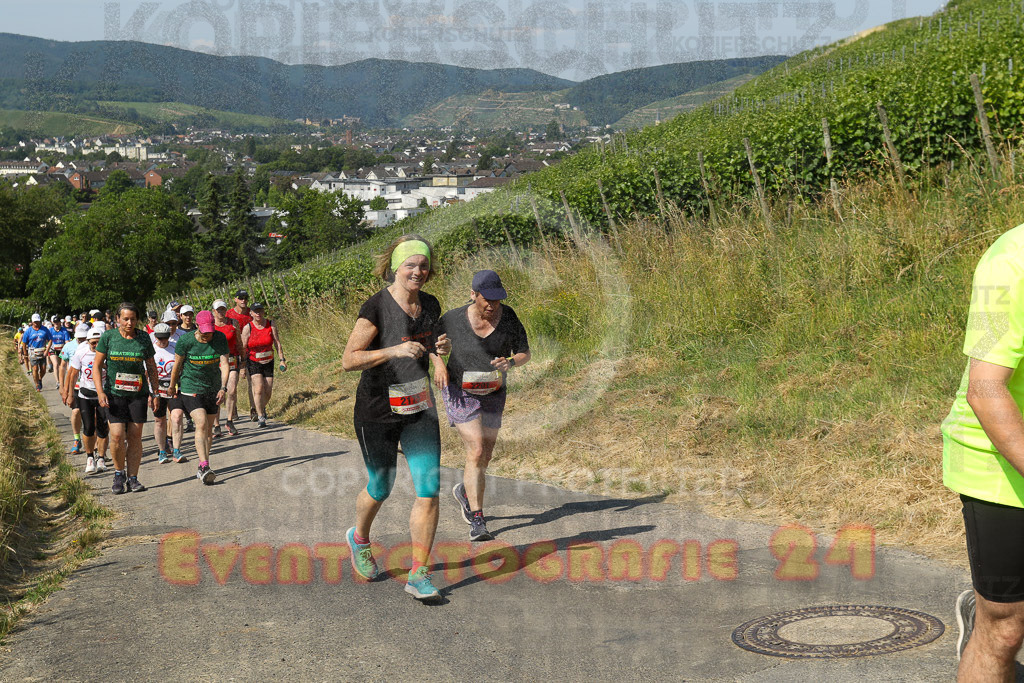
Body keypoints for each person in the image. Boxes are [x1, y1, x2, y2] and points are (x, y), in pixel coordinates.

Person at [341, 234, 451, 602]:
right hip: (377, 410)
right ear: (394, 267)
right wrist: (393, 350)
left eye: (423, 266)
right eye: (410, 265)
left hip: (419, 406)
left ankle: (419, 574)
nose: (417, 272)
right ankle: (359, 538)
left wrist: (440, 354)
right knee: (381, 487)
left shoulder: (431, 304)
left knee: (428, 489)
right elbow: (349, 359)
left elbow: (433, 341)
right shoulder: (375, 308)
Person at [942, 222, 1024, 680]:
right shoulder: (1010, 262)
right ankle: (987, 621)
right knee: (1007, 627)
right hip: (998, 464)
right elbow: (986, 389)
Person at [440, 270, 531, 542]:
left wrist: (511, 363)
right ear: (473, 295)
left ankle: (466, 492)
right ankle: (478, 520)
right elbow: (434, 347)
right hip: (461, 390)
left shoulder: (509, 317)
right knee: (477, 448)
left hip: (493, 391)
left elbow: (525, 352)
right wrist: (439, 360)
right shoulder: (453, 318)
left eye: (497, 300)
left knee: (486, 455)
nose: (492, 305)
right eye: (486, 300)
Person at [93, 303, 159, 494]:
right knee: (116, 436)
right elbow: (97, 366)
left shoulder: (144, 337)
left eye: (133, 319)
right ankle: (118, 473)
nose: (129, 323)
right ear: (117, 319)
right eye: (125, 319)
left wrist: (155, 393)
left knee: (135, 436)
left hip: (138, 395)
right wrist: (100, 392)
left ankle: (133, 478)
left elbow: (152, 367)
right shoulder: (108, 337)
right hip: (114, 394)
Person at [167, 310, 229, 485]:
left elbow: (224, 364)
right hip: (190, 387)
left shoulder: (220, 338)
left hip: (213, 388)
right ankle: (204, 465)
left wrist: (223, 387)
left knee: (208, 429)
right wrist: (172, 386)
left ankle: (204, 465)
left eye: (210, 331)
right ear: (198, 327)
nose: (207, 335)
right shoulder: (186, 341)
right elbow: (177, 365)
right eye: (204, 332)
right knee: (201, 423)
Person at [64, 326, 109, 475]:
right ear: (88, 342)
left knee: (103, 427)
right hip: (85, 394)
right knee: (89, 427)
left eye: (98, 342)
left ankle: (101, 457)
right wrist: (70, 394)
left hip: (103, 394)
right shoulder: (81, 353)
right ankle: (90, 457)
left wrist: (103, 363)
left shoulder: (108, 353)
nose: (96, 346)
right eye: (93, 343)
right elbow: (73, 375)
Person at [239, 302, 286, 429]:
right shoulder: (248, 327)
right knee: (259, 388)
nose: (258, 313)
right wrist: (242, 366)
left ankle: (259, 406)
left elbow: (277, 342)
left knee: (268, 390)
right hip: (253, 360)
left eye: (260, 311)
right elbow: (243, 348)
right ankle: (260, 416)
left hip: (268, 360)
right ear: (251, 313)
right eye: (255, 311)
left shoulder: (271, 324)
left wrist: (282, 359)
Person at [150, 322, 184, 464]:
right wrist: (151, 393)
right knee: (160, 421)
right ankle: (162, 451)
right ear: (156, 337)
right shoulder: (151, 350)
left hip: (173, 386)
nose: (163, 341)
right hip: (156, 388)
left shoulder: (174, 348)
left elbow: (181, 367)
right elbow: (147, 373)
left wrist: (175, 383)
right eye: (160, 338)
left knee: (177, 417)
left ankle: (176, 450)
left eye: (165, 338)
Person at [211, 300, 241, 436]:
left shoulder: (233, 323)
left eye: (223, 309)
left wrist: (244, 361)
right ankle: (216, 424)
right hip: (216, 363)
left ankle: (229, 420)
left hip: (232, 360)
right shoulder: (210, 326)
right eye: (218, 310)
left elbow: (239, 343)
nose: (221, 312)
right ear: (213, 312)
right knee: (217, 393)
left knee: (232, 389)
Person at [61, 323, 91, 456]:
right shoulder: (69, 346)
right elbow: (63, 367)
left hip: (90, 386)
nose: (81, 341)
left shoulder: (94, 345)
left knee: (93, 417)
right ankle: (76, 439)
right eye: (79, 339)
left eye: (84, 339)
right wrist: (64, 388)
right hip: (76, 386)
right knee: (76, 412)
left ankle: (94, 443)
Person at [226, 290, 255, 422]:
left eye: (245, 298)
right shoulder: (229, 314)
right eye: (240, 298)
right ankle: (234, 407)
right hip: (234, 352)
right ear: (235, 299)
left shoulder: (251, 313)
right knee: (233, 383)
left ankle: (253, 409)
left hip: (250, 351)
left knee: (252, 381)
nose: (243, 300)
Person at [20, 313, 53, 391]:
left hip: (42, 350)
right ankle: (37, 385)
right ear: (32, 322)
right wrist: (25, 353)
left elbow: (50, 340)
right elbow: (24, 342)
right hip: (32, 351)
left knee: (43, 369)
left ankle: (40, 378)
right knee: (35, 369)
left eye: (37, 322)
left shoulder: (45, 329)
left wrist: (47, 350)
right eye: (35, 322)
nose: (36, 323)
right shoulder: (28, 331)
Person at [49, 316, 71, 391]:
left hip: (62, 350)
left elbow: (67, 341)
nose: (56, 324)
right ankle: (58, 382)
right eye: (55, 323)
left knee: (63, 365)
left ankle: (68, 380)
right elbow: (48, 341)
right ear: (53, 323)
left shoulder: (64, 331)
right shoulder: (50, 330)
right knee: (55, 365)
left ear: (60, 323)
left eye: (57, 322)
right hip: (53, 349)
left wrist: (68, 349)